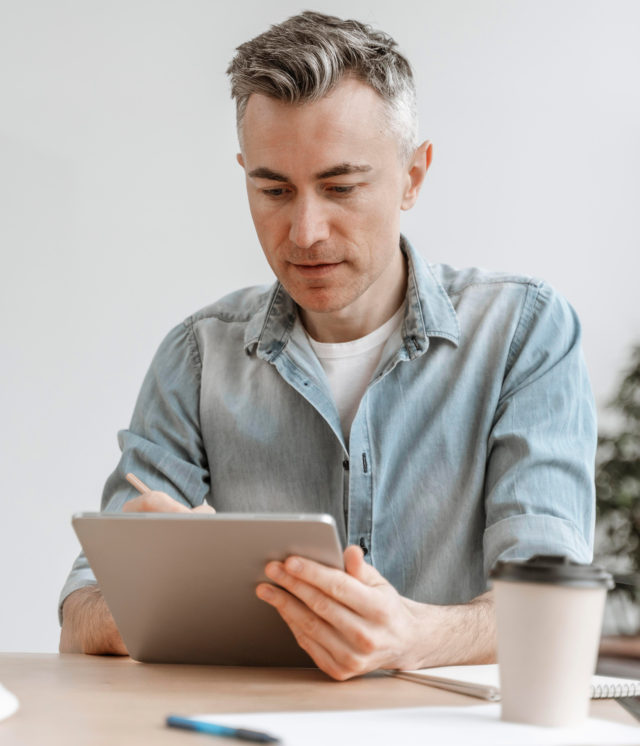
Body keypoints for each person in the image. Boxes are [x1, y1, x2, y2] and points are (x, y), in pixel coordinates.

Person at [59, 11, 596, 680]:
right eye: (273, 189)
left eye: (341, 187)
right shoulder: (197, 357)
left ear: (413, 177)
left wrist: (412, 636)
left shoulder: (523, 332)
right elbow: (80, 615)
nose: (305, 230)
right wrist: (170, 586)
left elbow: (554, 603)